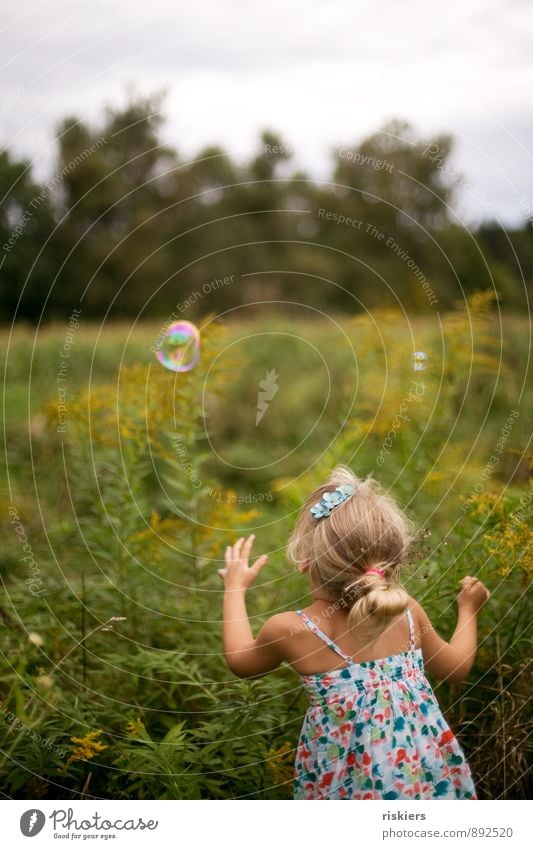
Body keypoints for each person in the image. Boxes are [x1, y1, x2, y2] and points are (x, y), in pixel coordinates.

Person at [218, 465, 490, 800]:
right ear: (389, 562)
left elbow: (240, 662)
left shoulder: (292, 629)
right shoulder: (405, 612)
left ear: (306, 560)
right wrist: (469, 609)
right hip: (424, 780)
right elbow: (456, 668)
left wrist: (234, 588)